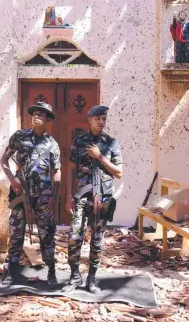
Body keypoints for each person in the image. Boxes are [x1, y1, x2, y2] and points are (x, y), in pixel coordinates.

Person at [0, 102, 61, 287]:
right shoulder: (19, 136)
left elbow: (57, 170)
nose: (36, 116)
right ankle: (11, 269)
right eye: (34, 113)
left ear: (47, 119)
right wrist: (12, 179)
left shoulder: (52, 144)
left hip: (43, 195)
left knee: (47, 233)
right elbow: (3, 160)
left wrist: (54, 196)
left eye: (41, 114)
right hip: (20, 191)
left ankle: (51, 270)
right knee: (16, 231)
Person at [62, 105, 123, 294]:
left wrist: (100, 156)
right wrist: (68, 197)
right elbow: (71, 169)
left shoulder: (111, 143)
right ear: (89, 120)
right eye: (97, 118)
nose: (101, 122)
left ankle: (92, 279)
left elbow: (119, 172)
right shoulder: (79, 141)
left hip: (102, 198)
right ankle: (74, 277)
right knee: (74, 238)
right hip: (81, 196)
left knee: (97, 240)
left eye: (104, 118)